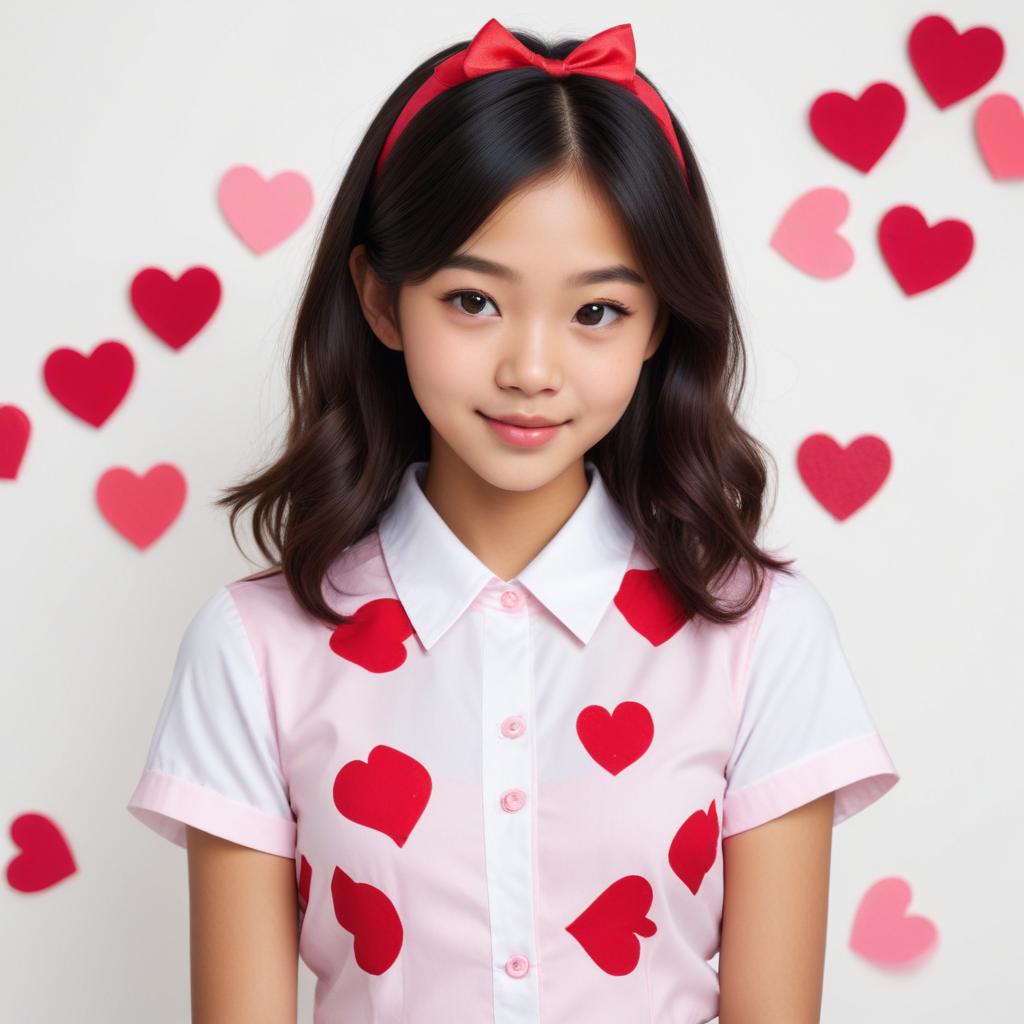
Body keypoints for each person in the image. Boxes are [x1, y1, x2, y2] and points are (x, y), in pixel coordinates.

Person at [126, 17, 900, 1024]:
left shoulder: (763, 638)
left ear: (659, 323)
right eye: (473, 300)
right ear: (381, 299)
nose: (532, 369)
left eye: (596, 312)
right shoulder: (253, 649)